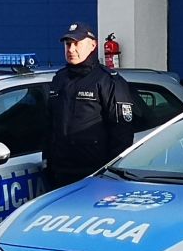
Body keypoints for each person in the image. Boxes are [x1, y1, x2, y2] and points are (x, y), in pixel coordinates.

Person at [44, 21, 135, 188]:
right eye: (68, 44)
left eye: (76, 43)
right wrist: (48, 163)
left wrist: (110, 175)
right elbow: (50, 125)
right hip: (61, 174)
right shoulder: (59, 79)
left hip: (94, 175)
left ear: (93, 45)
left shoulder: (108, 81)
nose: (71, 49)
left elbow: (122, 134)